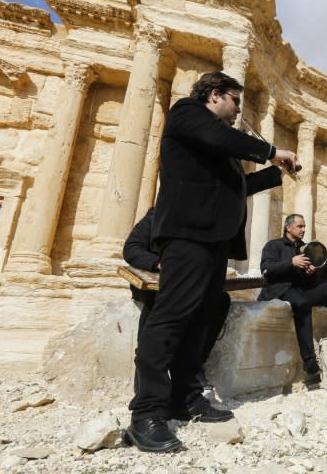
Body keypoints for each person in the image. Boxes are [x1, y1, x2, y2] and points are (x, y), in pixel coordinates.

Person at [126, 71, 298, 454]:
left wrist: (274, 173)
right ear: (216, 95)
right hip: (187, 234)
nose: (239, 111)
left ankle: (185, 398)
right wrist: (271, 150)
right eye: (236, 102)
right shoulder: (187, 113)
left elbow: (234, 187)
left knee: (204, 316)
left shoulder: (215, 143)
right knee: (169, 318)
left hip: (212, 240)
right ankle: (146, 413)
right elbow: (219, 137)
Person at [123, 208, 232, 394]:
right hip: (157, 283)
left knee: (219, 301)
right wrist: (160, 263)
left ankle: (194, 368)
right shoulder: (156, 216)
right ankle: (146, 379)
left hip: (190, 283)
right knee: (160, 303)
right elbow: (132, 249)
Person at [258, 214, 327, 377]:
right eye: (300, 226)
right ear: (289, 228)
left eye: (304, 226)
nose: (303, 230)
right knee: (301, 304)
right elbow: (266, 270)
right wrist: (290, 262)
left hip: (302, 290)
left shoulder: (307, 248)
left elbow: (315, 280)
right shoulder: (274, 246)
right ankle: (309, 361)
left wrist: (310, 273)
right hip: (280, 289)